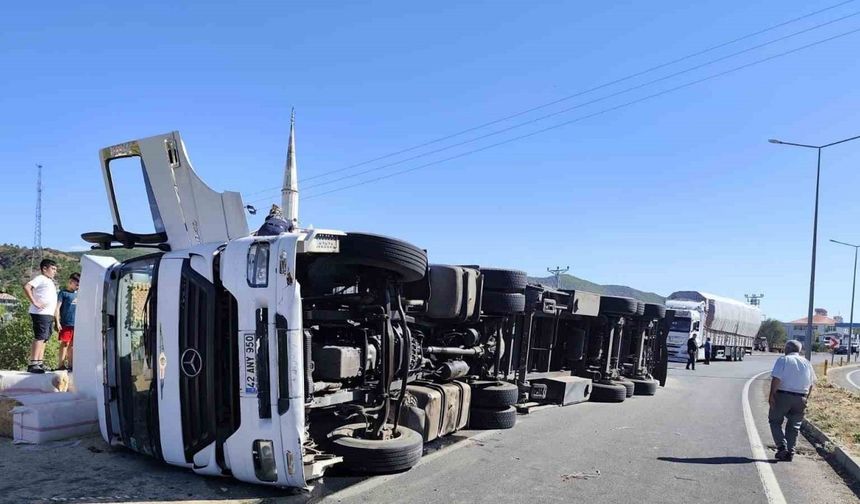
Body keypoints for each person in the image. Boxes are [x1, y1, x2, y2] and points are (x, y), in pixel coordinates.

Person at [768, 340, 816, 461]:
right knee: (794, 426)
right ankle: (791, 451)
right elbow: (811, 384)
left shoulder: (783, 360)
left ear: (787, 349)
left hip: (783, 395)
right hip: (801, 397)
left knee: (774, 421)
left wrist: (772, 395)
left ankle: (782, 447)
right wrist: (806, 399)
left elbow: (776, 379)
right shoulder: (807, 363)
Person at [23, 259, 58, 373]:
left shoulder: (49, 281)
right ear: (44, 269)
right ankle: (33, 363)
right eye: (52, 269)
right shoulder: (41, 278)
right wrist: (35, 302)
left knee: (45, 338)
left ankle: (39, 362)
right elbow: (27, 287)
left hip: (48, 314)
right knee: (40, 337)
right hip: (40, 313)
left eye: (55, 269)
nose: (54, 272)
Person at [55, 272, 80, 371]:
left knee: (73, 345)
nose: (78, 286)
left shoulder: (79, 294)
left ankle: (71, 365)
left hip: (77, 324)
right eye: (76, 284)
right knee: (65, 343)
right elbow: (57, 308)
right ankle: (60, 365)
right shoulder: (63, 293)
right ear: (71, 282)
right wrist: (57, 321)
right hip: (66, 323)